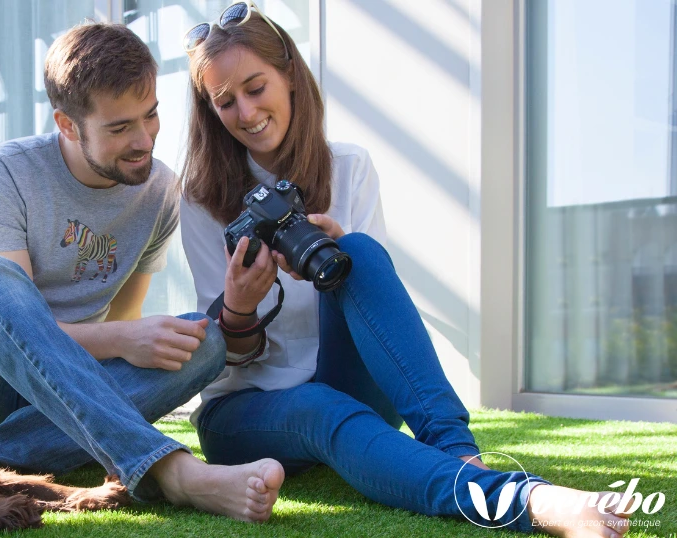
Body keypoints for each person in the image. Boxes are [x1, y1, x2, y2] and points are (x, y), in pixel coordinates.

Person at [179, 3, 631, 536]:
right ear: (211, 112)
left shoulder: (349, 166)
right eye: (225, 102)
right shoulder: (203, 199)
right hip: (244, 413)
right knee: (320, 408)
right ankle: (522, 502)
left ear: (291, 77)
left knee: (363, 252)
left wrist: (338, 255)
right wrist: (240, 305)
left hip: (343, 383)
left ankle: (459, 453)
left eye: (256, 87)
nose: (246, 112)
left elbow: (373, 303)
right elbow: (221, 364)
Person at [0, 22, 284, 522]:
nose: (144, 140)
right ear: (68, 124)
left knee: (204, 340)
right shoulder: (2, 172)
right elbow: (9, 326)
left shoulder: (160, 191)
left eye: (152, 115)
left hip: (62, 394)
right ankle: (173, 472)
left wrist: (128, 338)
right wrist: (122, 339)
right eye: (119, 128)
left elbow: (124, 322)